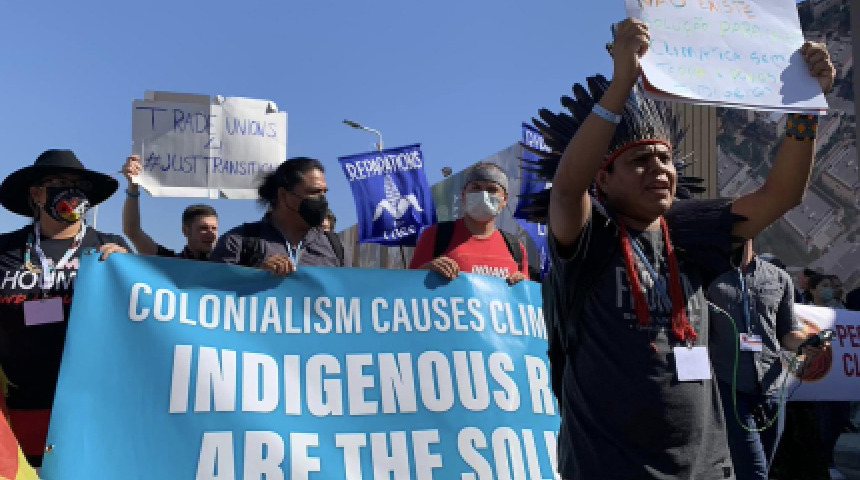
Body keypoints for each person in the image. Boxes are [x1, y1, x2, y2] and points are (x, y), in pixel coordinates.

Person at [529, 18, 834, 479]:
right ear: (603, 179)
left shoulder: (690, 234)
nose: (659, 169)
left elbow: (781, 196)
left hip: (706, 467)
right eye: (640, 160)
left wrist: (807, 109)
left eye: (665, 158)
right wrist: (621, 83)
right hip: (609, 468)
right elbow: (569, 190)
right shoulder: (589, 240)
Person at [0, 150, 130, 467]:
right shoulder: (4, 249)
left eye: (79, 185)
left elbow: (136, 319)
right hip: (19, 405)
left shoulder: (109, 247)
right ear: (36, 194)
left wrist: (130, 270)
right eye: (59, 182)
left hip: (89, 406)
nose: (71, 192)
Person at [708, 240, 821, 479]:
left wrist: (805, 344)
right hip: (730, 386)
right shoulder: (709, 277)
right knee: (755, 471)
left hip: (772, 388)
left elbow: (787, 332)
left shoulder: (779, 278)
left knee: (762, 466)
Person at [210, 157, 344, 272]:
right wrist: (256, 275)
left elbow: (348, 291)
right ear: (283, 195)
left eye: (324, 192)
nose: (322, 200)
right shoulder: (237, 242)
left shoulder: (335, 246)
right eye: (314, 192)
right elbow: (215, 290)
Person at [409, 162, 528, 284]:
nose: (483, 195)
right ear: (463, 194)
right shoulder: (434, 235)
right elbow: (408, 286)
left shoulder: (516, 248)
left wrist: (523, 285)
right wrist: (427, 270)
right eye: (476, 188)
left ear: (505, 199)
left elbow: (526, 293)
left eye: (492, 189)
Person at [121, 154, 218, 260]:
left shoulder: (226, 265)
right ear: (185, 231)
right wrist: (133, 186)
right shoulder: (169, 261)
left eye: (214, 229)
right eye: (203, 228)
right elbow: (132, 231)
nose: (211, 234)